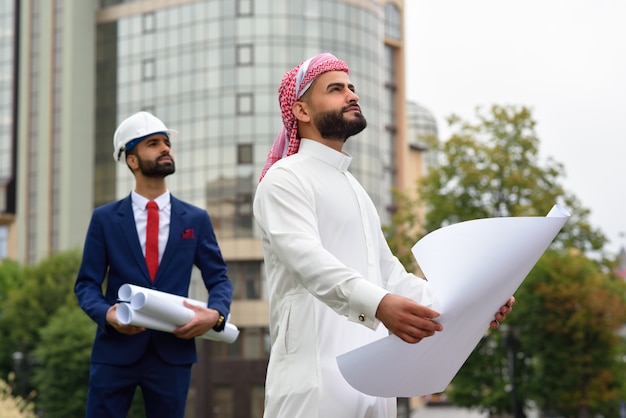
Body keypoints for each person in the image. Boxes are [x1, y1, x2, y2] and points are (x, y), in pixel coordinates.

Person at [253, 53, 515, 418]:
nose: (351, 95)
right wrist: (379, 306)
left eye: (352, 88)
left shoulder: (355, 189)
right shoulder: (284, 179)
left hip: (376, 387)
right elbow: (309, 261)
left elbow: (390, 276)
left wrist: (472, 305)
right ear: (301, 111)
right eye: (336, 89)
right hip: (313, 386)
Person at [75, 111, 233, 418]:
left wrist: (215, 314)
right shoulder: (105, 219)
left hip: (172, 352)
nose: (165, 149)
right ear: (132, 160)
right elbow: (86, 285)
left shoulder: (196, 220)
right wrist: (107, 314)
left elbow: (219, 279)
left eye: (166, 143)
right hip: (114, 351)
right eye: (153, 144)